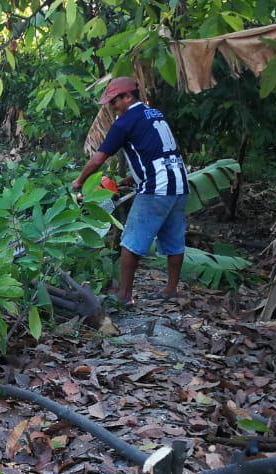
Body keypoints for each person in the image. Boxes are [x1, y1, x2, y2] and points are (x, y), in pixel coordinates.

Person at [72, 77, 189, 305]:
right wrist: (132, 177)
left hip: (156, 188)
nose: (112, 108)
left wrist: (79, 181)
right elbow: (154, 150)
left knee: (131, 241)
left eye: (114, 102)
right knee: (174, 239)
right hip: (179, 182)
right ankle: (171, 289)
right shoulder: (154, 114)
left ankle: (124, 295)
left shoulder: (124, 122)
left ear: (127, 97)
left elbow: (98, 159)